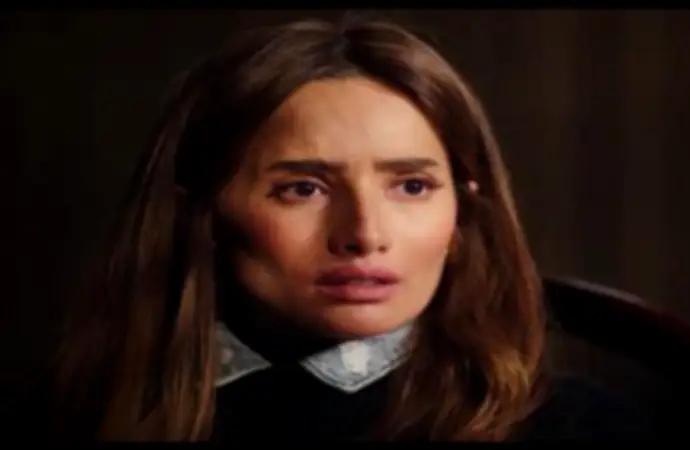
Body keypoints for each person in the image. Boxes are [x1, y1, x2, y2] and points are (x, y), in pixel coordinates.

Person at [7, 17, 652, 441]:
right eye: (303, 189)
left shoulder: (583, 428)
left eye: (411, 186)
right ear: (200, 211)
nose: (364, 234)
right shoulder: (73, 414)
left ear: (462, 214)